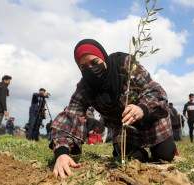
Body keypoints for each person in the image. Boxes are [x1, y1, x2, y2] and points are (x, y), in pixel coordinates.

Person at [50, 39, 176, 178]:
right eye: (84, 67)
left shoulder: (125, 66)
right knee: (133, 158)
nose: (91, 69)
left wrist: (141, 108)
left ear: (103, 57)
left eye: (95, 62)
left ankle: (166, 146)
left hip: (151, 119)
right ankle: (124, 147)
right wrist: (61, 153)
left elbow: (155, 91)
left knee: (165, 156)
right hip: (125, 128)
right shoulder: (85, 87)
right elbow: (70, 116)